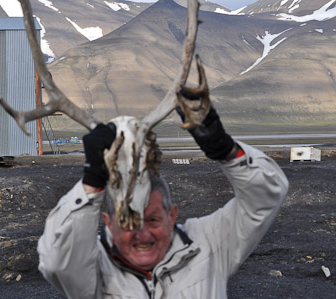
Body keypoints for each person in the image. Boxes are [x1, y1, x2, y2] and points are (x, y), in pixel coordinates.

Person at [37, 92, 289, 298]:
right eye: (128, 221)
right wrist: (91, 183)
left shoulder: (210, 245)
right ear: (107, 224)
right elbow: (56, 262)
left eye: (154, 219)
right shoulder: (92, 270)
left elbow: (265, 198)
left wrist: (227, 150)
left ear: (172, 215)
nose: (142, 234)